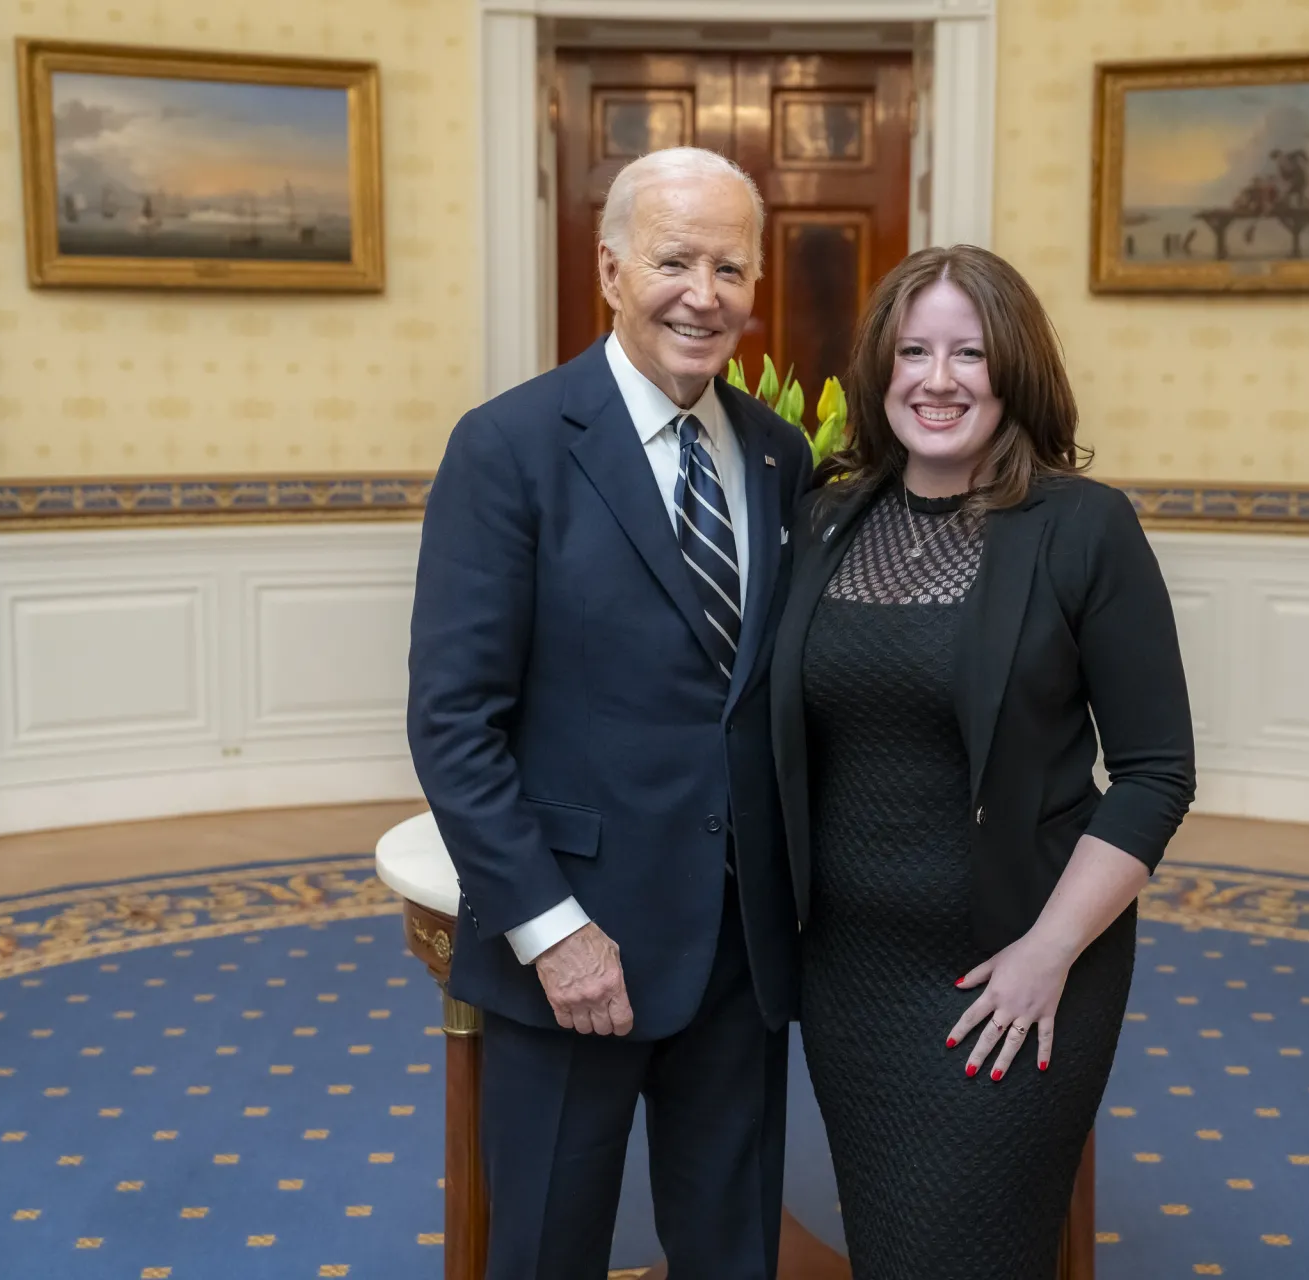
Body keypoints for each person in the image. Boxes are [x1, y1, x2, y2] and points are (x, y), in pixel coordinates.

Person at [408, 147, 813, 1279]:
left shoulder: (780, 457)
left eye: (730, 266)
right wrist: (554, 928)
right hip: (574, 954)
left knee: (734, 1253)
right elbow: (453, 722)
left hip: (741, 951)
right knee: (544, 1248)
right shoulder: (510, 446)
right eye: (674, 259)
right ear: (609, 269)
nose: (704, 292)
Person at [771, 244, 1196, 1277]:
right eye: (913, 349)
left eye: (969, 351)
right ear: (880, 369)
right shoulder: (828, 516)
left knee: (957, 1249)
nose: (938, 377)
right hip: (850, 977)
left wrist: (1048, 950)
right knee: (891, 1241)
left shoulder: (1084, 527)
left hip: (1013, 969)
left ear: (1015, 368)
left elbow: (1155, 772)